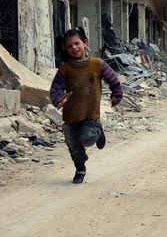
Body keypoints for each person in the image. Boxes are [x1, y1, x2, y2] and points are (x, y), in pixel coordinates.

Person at [50, 26, 124, 184]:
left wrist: (116, 96)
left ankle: (97, 130)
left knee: (86, 139)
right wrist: (58, 99)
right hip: (71, 115)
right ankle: (80, 168)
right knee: (72, 144)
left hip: (91, 114)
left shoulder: (98, 64)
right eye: (70, 46)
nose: (74, 48)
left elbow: (114, 82)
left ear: (85, 43)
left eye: (77, 43)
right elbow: (55, 89)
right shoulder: (66, 68)